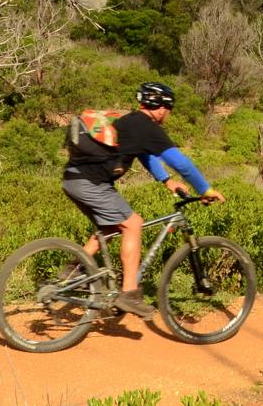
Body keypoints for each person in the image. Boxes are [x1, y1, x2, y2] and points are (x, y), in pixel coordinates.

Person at [61, 81, 223, 318]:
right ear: (161, 107)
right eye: (169, 108)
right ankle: (129, 293)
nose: (168, 114)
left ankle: (73, 271)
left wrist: (167, 181)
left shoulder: (131, 121)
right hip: (91, 184)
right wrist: (205, 189)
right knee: (133, 223)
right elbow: (182, 163)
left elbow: (145, 155)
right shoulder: (147, 127)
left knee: (109, 227)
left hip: (73, 180)